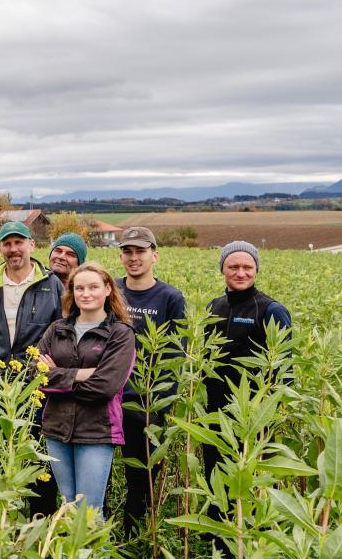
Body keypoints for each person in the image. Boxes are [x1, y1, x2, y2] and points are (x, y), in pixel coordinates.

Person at [0, 220, 64, 516]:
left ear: (32, 246)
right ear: (0, 249)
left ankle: (38, 521)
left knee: (37, 458)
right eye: (7, 244)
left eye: (19, 242)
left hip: (35, 389)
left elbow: (62, 334)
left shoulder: (52, 285)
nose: (13, 249)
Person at [37, 262, 136, 524]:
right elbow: (33, 374)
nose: (86, 293)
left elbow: (106, 386)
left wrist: (57, 376)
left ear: (107, 290)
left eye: (93, 287)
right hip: (57, 429)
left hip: (97, 431)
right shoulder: (57, 329)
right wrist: (83, 373)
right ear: (71, 293)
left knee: (89, 511)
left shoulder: (120, 333)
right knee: (69, 505)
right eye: (79, 288)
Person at [203, 241, 291, 534]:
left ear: (256, 270)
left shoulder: (271, 309)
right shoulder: (213, 306)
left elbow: (283, 371)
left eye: (247, 267)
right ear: (223, 269)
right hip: (215, 413)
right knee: (215, 475)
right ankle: (219, 540)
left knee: (249, 480)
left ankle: (249, 542)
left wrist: (266, 414)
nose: (240, 273)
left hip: (252, 418)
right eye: (233, 266)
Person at [115, 226, 187, 537]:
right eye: (128, 252)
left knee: (140, 472)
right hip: (108, 394)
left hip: (145, 398)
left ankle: (135, 532)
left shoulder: (170, 297)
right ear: (121, 257)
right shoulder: (111, 289)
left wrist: (161, 403)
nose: (134, 258)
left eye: (140, 252)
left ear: (154, 256)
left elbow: (176, 352)